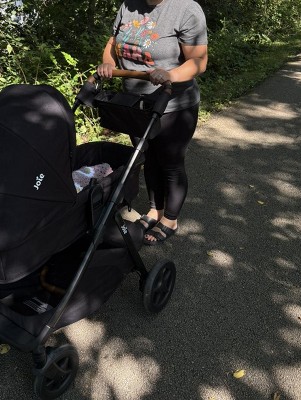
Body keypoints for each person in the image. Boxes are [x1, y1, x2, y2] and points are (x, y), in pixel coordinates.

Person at [97, 0, 208, 245]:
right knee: (148, 158)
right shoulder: (128, 6)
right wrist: (108, 63)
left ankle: (170, 219)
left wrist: (170, 74)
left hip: (174, 104)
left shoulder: (186, 9)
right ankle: (154, 211)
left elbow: (199, 60)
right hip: (136, 105)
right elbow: (112, 44)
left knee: (170, 162)